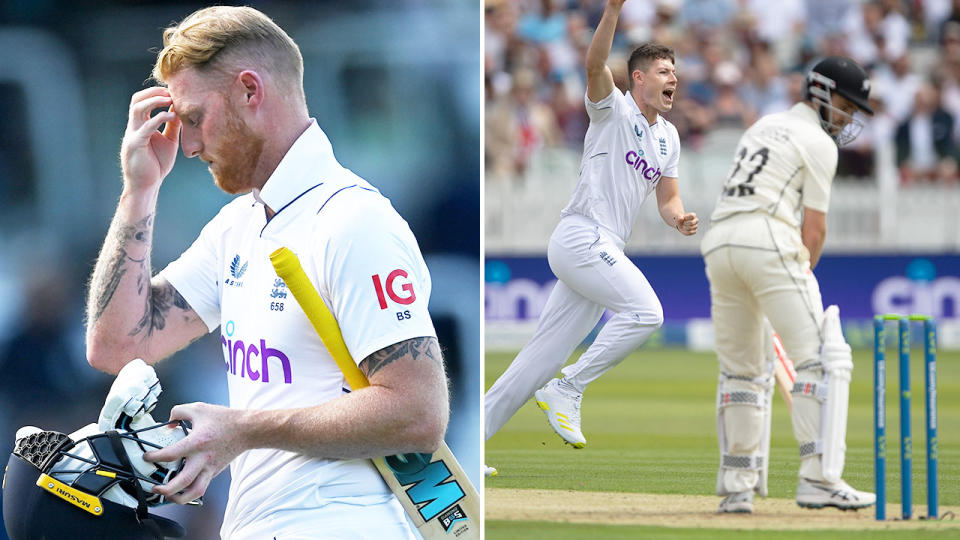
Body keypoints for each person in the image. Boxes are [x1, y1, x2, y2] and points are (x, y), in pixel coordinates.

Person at [84, 6, 447, 539]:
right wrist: (139, 192)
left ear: (250, 92)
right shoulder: (238, 226)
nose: (187, 146)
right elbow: (115, 347)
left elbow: (419, 414)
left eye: (193, 118)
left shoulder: (354, 221)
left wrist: (242, 431)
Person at [484, 0, 698, 456]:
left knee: (538, 360)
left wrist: (678, 217)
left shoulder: (669, 137)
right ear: (637, 78)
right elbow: (594, 62)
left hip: (605, 246)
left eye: (674, 72)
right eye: (663, 71)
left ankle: (475, 443)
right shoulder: (613, 110)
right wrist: (613, 11)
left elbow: (668, 197)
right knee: (647, 313)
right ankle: (570, 387)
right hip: (582, 234)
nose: (673, 79)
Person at [700, 56, 877, 513]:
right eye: (847, 105)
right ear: (821, 93)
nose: (850, 117)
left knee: (741, 372)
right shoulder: (819, 143)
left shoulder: (763, 125)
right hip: (768, 240)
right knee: (820, 357)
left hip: (719, 242)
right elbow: (814, 231)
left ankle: (738, 486)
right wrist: (797, 283)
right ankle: (819, 478)